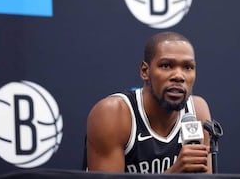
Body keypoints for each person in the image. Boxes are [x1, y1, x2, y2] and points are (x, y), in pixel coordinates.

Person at [86, 31, 212, 173]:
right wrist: (174, 175)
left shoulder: (197, 111)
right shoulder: (113, 114)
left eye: (188, 67)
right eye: (166, 66)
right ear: (145, 71)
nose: (178, 76)